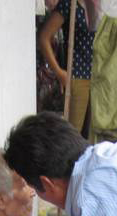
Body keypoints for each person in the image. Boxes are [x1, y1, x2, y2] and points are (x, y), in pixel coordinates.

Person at [39, 0, 95, 134]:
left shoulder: (102, 6)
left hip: (100, 77)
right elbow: (44, 38)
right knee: (73, 132)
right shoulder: (69, 4)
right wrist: (59, 72)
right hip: (77, 75)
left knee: (96, 132)